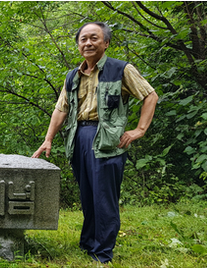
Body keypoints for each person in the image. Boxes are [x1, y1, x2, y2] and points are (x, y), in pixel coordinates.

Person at [32, 22, 159, 263]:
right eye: (83, 39)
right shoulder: (72, 75)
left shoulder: (120, 69)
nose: (88, 43)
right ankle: (88, 242)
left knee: (104, 197)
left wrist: (139, 130)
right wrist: (48, 139)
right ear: (78, 45)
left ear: (106, 43)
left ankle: (102, 252)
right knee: (88, 194)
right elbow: (61, 109)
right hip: (79, 137)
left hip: (108, 140)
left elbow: (150, 95)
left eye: (94, 38)